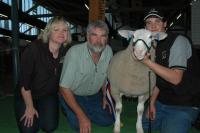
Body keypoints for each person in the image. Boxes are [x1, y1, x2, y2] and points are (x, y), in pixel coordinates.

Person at [141, 8, 200, 133]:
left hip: (184, 103)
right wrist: (152, 102)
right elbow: (159, 79)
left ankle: (182, 119)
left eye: (157, 21)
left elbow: (175, 78)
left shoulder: (178, 41)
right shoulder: (152, 46)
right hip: (162, 102)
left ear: (165, 23)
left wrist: (147, 62)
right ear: (145, 27)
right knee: (142, 126)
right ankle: (167, 120)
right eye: (149, 22)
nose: (153, 26)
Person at [14, 16, 72, 133]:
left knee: (49, 127)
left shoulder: (67, 52)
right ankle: (31, 108)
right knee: (29, 130)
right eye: (56, 29)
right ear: (48, 32)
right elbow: (24, 82)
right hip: (27, 93)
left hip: (48, 95)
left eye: (65, 30)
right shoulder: (33, 49)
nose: (61, 33)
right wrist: (29, 107)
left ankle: (44, 110)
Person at [59, 20, 114, 133]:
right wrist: (81, 116)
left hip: (93, 96)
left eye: (103, 36)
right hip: (73, 94)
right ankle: (67, 106)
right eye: (94, 35)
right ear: (87, 36)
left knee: (108, 120)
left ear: (107, 38)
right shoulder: (74, 53)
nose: (99, 41)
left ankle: (79, 110)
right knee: (79, 125)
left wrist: (105, 96)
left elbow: (106, 77)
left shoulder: (108, 51)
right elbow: (63, 87)